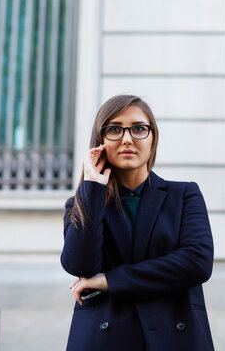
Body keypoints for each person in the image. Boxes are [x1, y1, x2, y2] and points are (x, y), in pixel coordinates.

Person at [60, 95, 215, 351]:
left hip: (173, 337)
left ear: (153, 138)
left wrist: (109, 281)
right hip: (104, 340)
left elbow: (197, 262)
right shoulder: (82, 202)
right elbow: (80, 264)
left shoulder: (184, 195)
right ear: (100, 141)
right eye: (114, 129)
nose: (127, 138)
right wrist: (92, 187)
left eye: (139, 128)